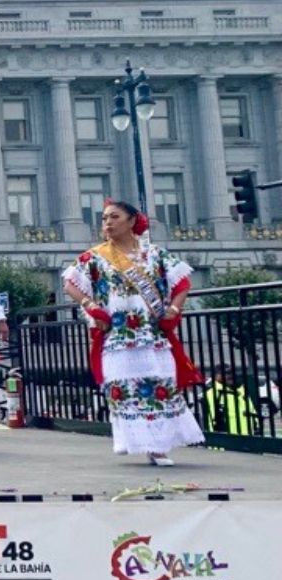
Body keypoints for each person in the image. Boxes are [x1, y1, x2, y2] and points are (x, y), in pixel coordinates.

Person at [61, 199, 204, 466]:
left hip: (151, 335)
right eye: (104, 219)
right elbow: (70, 284)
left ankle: (158, 447)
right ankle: (133, 440)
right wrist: (90, 305)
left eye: (114, 217)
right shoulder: (95, 257)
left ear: (131, 221)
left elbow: (182, 282)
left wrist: (174, 308)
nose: (108, 223)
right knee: (123, 387)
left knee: (158, 384)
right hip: (118, 336)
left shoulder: (155, 255)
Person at [201, 365, 257, 437]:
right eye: (225, 373)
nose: (229, 376)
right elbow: (210, 422)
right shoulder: (211, 394)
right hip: (226, 443)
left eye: (230, 373)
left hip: (248, 440)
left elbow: (252, 412)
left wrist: (256, 429)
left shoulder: (242, 391)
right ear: (216, 376)